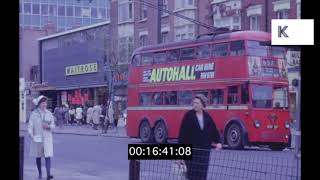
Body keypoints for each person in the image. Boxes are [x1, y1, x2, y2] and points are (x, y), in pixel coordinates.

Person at [178, 94, 222, 180]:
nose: (195, 105)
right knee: (192, 176)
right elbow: (182, 135)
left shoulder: (207, 117)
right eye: (194, 103)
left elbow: (213, 131)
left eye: (197, 103)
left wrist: (218, 142)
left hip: (204, 152)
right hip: (192, 151)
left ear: (203, 105)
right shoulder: (188, 116)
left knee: (202, 175)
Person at [28, 95, 55, 180]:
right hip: (38, 138)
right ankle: (40, 174)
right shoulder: (34, 114)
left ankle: (48, 174)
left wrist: (48, 126)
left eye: (45, 103)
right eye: (43, 103)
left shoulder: (49, 113)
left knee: (48, 155)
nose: (44, 104)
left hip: (47, 137)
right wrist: (31, 135)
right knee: (38, 156)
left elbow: (53, 125)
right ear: (39, 104)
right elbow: (30, 126)